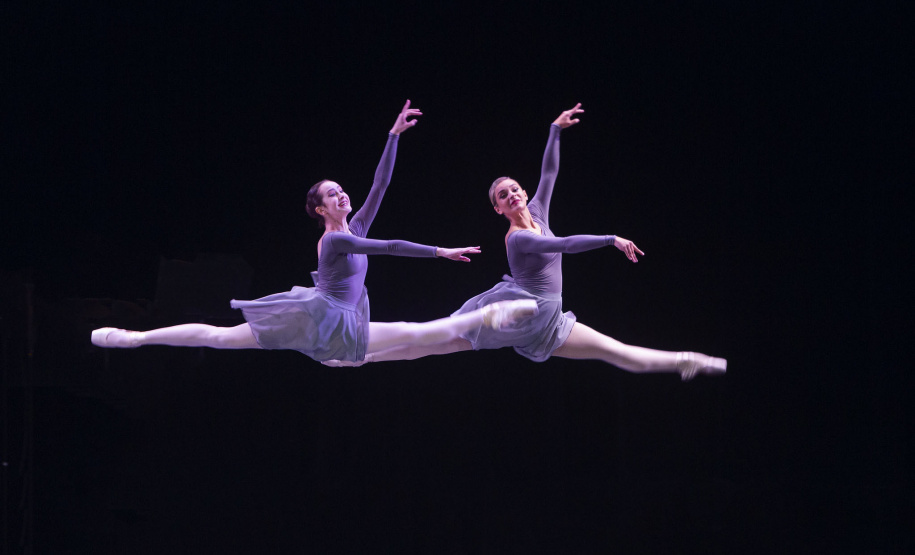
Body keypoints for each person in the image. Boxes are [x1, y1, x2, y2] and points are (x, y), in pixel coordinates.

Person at [91, 100, 537, 362]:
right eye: (333, 194)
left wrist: (393, 135)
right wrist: (439, 251)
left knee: (411, 340)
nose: (343, 196)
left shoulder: (353, 222)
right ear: (320, 209)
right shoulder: (337, 239)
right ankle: (135, 338)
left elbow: (380, 184)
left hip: (328, 323)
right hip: (323, 319)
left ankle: (481, 326)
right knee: (219, 336)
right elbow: (388, 246)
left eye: (342, 190)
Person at [329, 103, 726, 381]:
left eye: (514, 189)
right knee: (434, 340)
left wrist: (555, 130)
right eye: (503, 196)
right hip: (514, 312)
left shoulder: (537, 211)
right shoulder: (517, 238)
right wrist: (610, 239)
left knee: (617, 352)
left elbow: (549, 173)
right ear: (498, 209)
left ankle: (686, 360)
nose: (513, 195)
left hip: (548, 323)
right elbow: (565, 245)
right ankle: (357, 358)